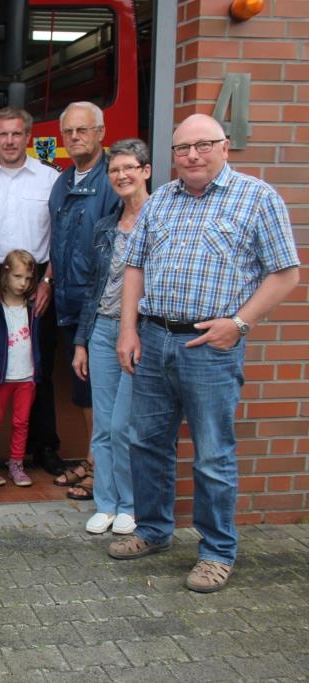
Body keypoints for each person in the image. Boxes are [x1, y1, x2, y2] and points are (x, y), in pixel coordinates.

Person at [110, 114, 299, 593]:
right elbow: (134, 267)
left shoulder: (257, 198)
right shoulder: (162, 202)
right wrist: (128, 331)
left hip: (210, 347)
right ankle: (153, 531)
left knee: (213, 454)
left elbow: (285, 274)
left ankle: (217, 552)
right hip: (153, 341)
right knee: (146, 442)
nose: (192, 155)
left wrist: (238, 325)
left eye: (203, 145)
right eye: (182, 149)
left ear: (225, 147)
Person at [0, 106, 66, 477]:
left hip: (35, 284)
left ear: (29, 138)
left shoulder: (51, 178)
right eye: (3, 134)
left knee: (37, 368)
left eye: (17, 134)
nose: (9, 141)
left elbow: (60, 235)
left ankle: (44, 447)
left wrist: (48, 282)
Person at [71, 139, 150, 535]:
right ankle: (106, 503)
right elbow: (92, 287)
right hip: (102, 329)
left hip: (139, 333)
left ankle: (131, 504)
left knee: (124, 424)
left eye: (129, 168)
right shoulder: (106, 226)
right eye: (115, 170)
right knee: (103, 423)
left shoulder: (161, 221)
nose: (121, 176)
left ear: (145, 171)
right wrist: (82, 342)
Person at [47, 101, 120, 499]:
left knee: (100, 390)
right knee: (83, 389)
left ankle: (100, 470)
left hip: (101, 306)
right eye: (69, 132)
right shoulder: (63, 182)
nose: (75, 137)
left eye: (83, 130)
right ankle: (93, 458)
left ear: (100, 133)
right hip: (70, 304)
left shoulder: (113, 180)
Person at [0, 250, 42, 488]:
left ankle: (16, 463)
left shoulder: (33, 307)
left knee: (21, 422)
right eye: (18, 276)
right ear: (5, 273)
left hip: (27, 377)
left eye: (28, 279)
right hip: (1, 376)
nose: (23, 283)